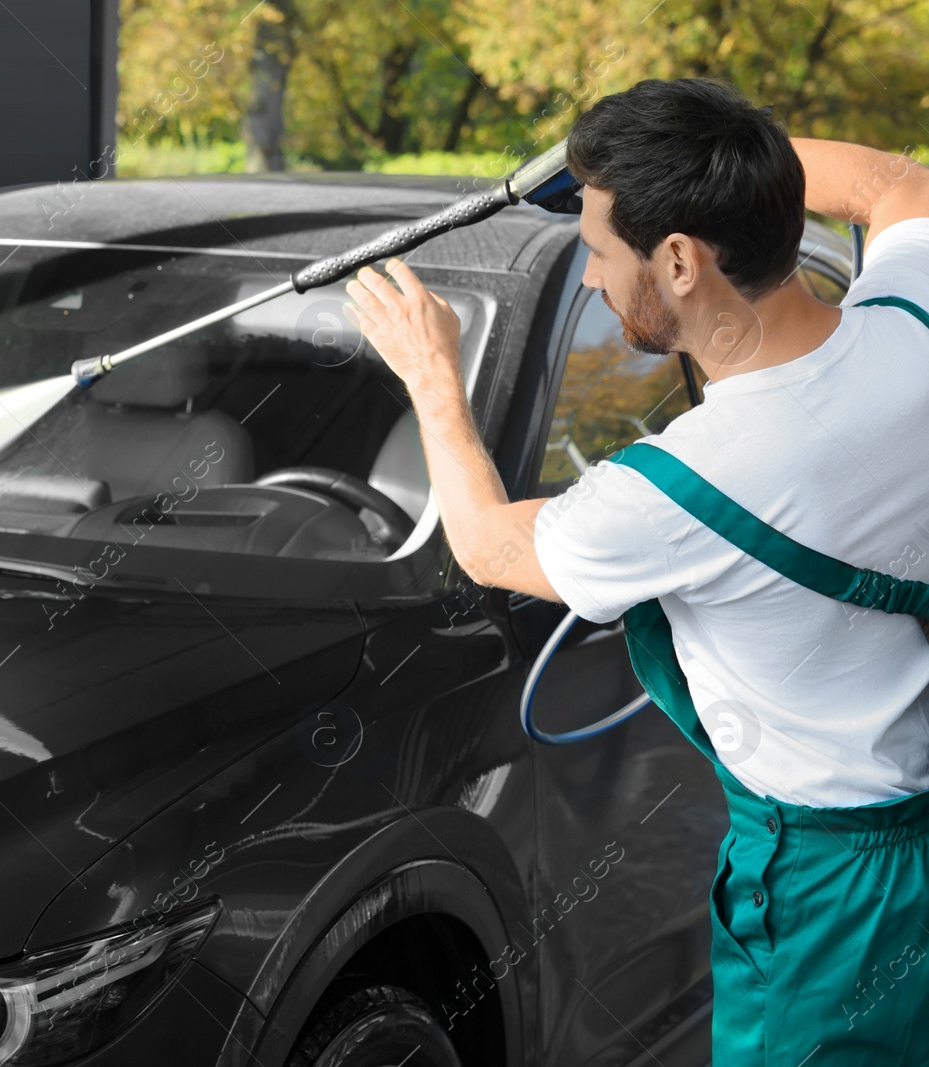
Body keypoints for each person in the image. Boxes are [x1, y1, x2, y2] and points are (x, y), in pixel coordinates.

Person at [343, 77, 929, 1066]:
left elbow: (485, 542)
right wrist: (716, 157)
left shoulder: (680, 484)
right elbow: (896, 181)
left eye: (596, 251)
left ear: (678, 259)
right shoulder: (908, 318)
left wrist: (431, 378)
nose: (590, 280)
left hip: (828, 894)